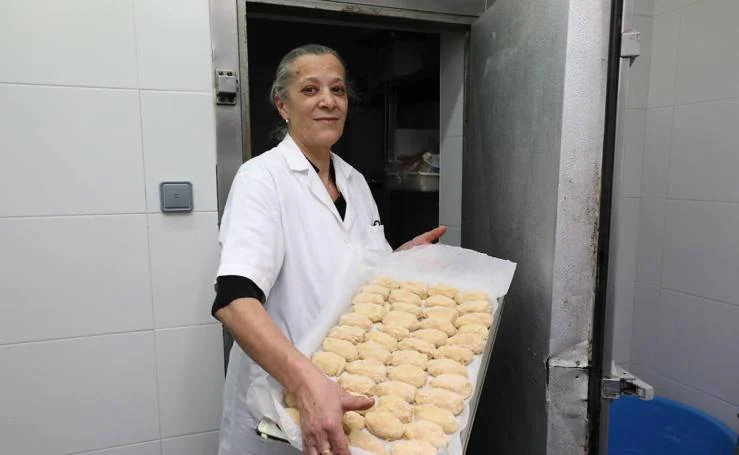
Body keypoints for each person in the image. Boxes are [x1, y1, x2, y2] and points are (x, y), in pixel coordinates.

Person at [211, 44, 446, 455]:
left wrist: (399, 260)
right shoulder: (262, 179)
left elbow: (354, 275)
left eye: (337, 90)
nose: (328, 101)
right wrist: (306, 382)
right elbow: (234, 300)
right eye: (310, 90)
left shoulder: (354, 182)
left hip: (345, 395)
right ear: (282, 105)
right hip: (278, 407)